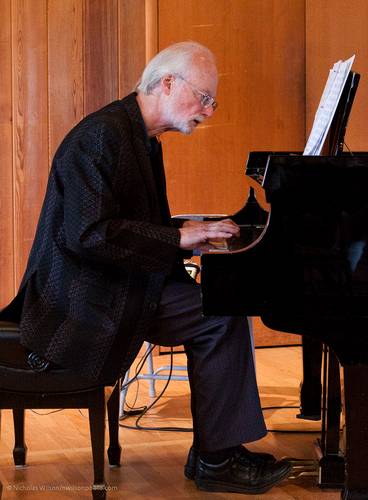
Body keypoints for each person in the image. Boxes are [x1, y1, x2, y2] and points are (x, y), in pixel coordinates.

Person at [0, 41, 291, 494]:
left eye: (212, 102)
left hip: (117, 286)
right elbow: (89, 234)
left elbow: (128, 226)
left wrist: (189, 231)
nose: (208, 111)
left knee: (219, 309)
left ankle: (214, 450)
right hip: (83, 303)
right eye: (205, 98)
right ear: (168, 83)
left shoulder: (137, 136)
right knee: (220, 314)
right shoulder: (102, 136)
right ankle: (217, 458)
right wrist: (177, 238)